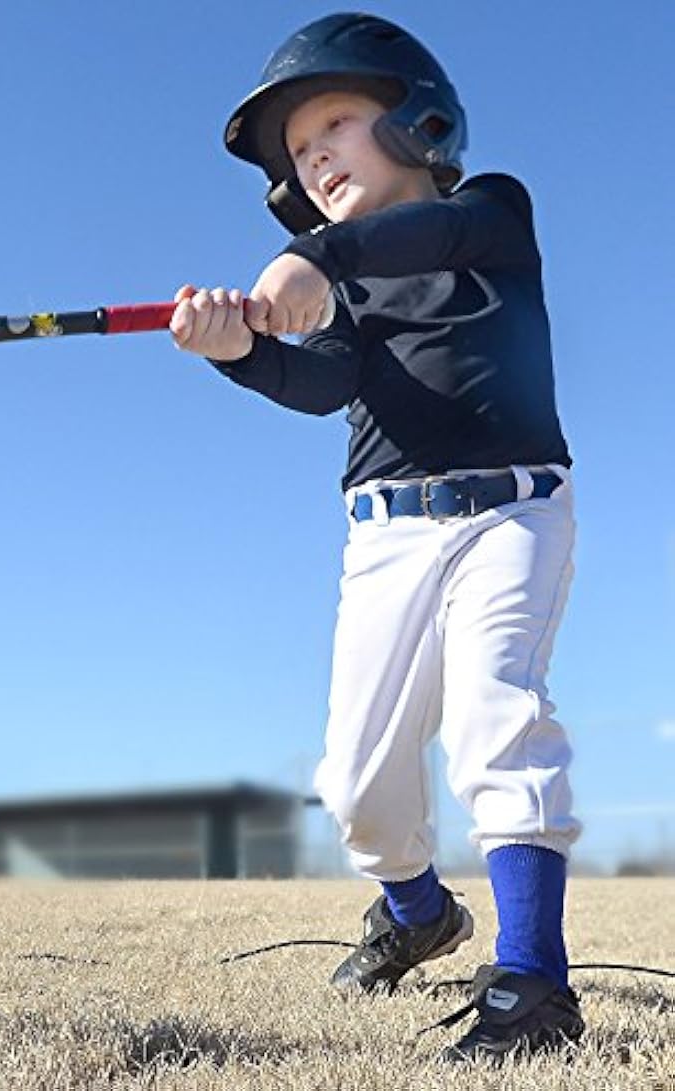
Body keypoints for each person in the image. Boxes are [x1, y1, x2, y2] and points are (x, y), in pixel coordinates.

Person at [170, 12, 584, 1063]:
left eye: (335, 125)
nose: (311, 158)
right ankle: (413, 911)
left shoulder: (488, 212)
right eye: (298, 154)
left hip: (509, 510)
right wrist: (237, 351)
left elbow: (415, 240)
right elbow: (321, 386)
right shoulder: (343, 282)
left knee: (499, 713)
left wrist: (312, 258)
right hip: (383, 535)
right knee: (353, 779)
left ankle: (532, 982)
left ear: (417, 122)